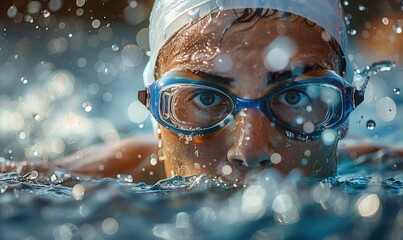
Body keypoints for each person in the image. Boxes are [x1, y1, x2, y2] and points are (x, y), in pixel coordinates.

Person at [1, 0, 397, 184]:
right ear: (154, 113)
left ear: (345, 112)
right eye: (205, 98)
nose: (250, 151)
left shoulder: (384, 170)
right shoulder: (80, 182)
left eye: (295, 97)